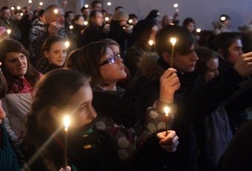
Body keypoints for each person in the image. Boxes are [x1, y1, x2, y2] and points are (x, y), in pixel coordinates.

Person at [130, 25, 252, 170]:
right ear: (168, 56)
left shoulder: (188, 77)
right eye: (188, 53)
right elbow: (189, 110)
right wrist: (235, 74)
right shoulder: (154, 86)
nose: (195, 57)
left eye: (194, 50)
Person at [22, 69, 178, 171]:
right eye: (83, 107)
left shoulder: (99, 139)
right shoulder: (40, 157)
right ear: (56, 112)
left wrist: (158, 147)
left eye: (91, 103)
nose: (93, 114)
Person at [193, 47, 233, 170]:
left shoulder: (218, 97)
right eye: (211, 71)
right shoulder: (198, 103)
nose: (217, 74)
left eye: (217, 69)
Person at [0, 39, 41, 143]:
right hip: (23, 142)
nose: (20, 63)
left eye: (22, 57)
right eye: (13, 61)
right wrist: (16, 144)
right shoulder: (3, 88)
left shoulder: (38, 77)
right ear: (4, 64)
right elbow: (5, 122)